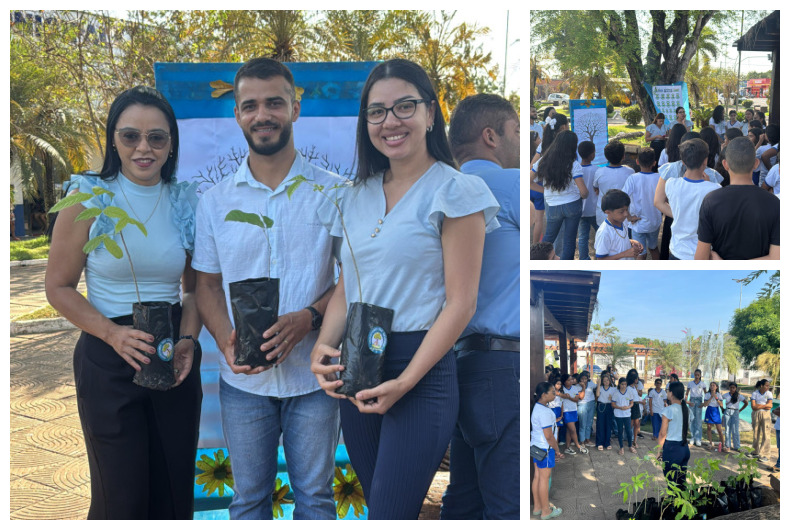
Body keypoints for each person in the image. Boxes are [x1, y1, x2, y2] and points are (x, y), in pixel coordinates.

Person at [310, 58, 499, 520]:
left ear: (430, 113)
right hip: (356, 362)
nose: (390, 122)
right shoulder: (351, 196)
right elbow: (346, 287)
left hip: (421, 369)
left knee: (388, 515)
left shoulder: (456, 191)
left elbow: (461, 302)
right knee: (381, 507)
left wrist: (407, 379)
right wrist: (322, 344)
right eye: (376, 112)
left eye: (404, 107)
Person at [193, 58, 341, 520]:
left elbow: (353, 279)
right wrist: (224, 340)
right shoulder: (215, 202)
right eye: (250, 105)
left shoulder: (334, 193)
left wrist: (310, 318)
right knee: (249, 502)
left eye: (275, 102)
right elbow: (207, 286)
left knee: (316, 500)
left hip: (314, 380)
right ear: (237, 114)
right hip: (243, 385)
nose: (263, 115)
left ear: (296, 108)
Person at [44, 86, 202, 519]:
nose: (144, 148)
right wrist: (113, 334)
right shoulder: (89, 198)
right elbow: (57, 287)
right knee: (121, 498)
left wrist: (188, 338)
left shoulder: (184, 200)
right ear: (113, 138)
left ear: (172, 143)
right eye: (130, 136)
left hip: (173, 355)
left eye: (157, 137)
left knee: (173, 491)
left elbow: (194, 290)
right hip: (108, 355)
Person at [442, 93, 519, 520]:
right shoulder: (508, 185)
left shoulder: (438, 189)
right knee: (506, 504)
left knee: (465, 497)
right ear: (490, 136)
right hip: (501, 365)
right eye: (514, 132)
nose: (519, 142)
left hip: (458, 361)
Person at [695, 137, 780, 260]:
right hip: (760, 277)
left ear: (725, 164)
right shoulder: (774, 203)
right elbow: (776, 258)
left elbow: (700, 258)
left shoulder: (711, 201)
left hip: (721, 277)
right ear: (756, 164)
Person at [657, 138, 721, 259]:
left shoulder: (671, 183)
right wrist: (708, 184)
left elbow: (660, 202)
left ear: (683, 162)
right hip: (703, 253)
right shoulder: (715, 189)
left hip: (677, 250)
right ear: (705, 161)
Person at [535, 130, 588, 259]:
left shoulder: (543, 161)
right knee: (569, 241)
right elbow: (584, 192)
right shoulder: (574, 164)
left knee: (548, 240)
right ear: (573, 146)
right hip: (572, 205)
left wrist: (544, 191)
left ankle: (538, 262)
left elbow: (528, 180)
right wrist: (584, 194)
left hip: (553, 206)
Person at [531, 381, 565, 520]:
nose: (555, 394)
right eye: (552, 392)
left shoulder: (538, 407)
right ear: (543, 395)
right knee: (544, 479)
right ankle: (546, 511)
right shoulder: (545, 411)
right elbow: (549, 436)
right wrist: (557, 450)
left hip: (535, 446)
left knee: (538, 477)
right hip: (545, 448)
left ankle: (537, 507)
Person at [622, 148, 661, 260]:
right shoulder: (659, 178)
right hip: (654, 222)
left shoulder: (632, 179)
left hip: (638, 223)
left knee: (640, 252)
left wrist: (628, 216)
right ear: (654, 163)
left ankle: (639, 276)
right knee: (653, 248)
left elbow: (622, 197)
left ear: (637, 161)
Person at [657, 381, 691, 491]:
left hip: (672, 450)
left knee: (671, 484)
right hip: (684, 448)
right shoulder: (687, 409)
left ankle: (674, 506)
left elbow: (662, 433)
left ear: (671, 393)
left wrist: (659, 451)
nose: (667, 393)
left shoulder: (668, 410)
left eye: (667, 391)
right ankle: (683, 506)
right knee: (681, 482)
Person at [592, 140, 634, 227]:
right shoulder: (630, 172)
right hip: (624, 214)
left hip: (604, 214)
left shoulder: (599, 172)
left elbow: (595, 187)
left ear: (606, 157)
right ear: (623, 156)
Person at [594, 189, 643, 260]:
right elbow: (601, 260)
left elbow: (619, 241)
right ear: (608, 212)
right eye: (621, 211)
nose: (626, 214)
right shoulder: (604, 233)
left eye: (627, 209)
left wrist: (632, 242)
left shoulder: (623, 220)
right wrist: (624, 254)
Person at [576, 141, 599, 260]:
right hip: (595, 209)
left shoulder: (576, 169)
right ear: (592, 155)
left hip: (581, 210)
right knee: (600, 233)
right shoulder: (596, 170)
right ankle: (602, 255)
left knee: (583, 236)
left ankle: (584, 258)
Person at [557, 374, 588, 454]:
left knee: (569, 430)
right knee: (573, 430)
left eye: (571, 380)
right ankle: (579, 446)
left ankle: (567, 447)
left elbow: (576, 400)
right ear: (564, 382)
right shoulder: (562, 389)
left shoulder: (574, 388)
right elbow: (561, 400)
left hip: (574, 410)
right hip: (566, 412)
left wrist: (569, 397)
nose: (571, 381)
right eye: (568, 380)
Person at [750, 379, 774, 463]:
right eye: (766, 385)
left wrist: (759, 405)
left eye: (768, 385)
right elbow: (753, 407)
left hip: (766, 415)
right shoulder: (755, 393)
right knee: (756, 433)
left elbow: (770, 406)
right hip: (756, 414)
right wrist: (765, 405)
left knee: (766, 434)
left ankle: (765, 454)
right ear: (761, 386)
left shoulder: (769, 393)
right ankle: (755, 451)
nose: (768, 387)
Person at [612, 377, 636, 455]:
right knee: (620, 431)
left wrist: (627, 407)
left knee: (629, 431)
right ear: (619, 384)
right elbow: (613, 404)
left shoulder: (629, 392)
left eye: (625, 384)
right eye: (622, 384)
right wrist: (620, 407)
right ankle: (621, 447)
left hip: (627, 415)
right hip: (618, 415)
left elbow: (632, 403)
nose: (624, 386)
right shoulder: (616, 393)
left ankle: (630, 445)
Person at [723, 382, 748, 453]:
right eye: (731, 387)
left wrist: (740, 410)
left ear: (736, 388)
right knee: (727, 429)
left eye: (733, 388)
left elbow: (746, 403)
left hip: (735, 412)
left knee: (735, 430)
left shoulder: (739, 396)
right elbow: (719, 400)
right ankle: (728, 445)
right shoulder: (726, 395)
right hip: (727, 411)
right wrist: (722, 407)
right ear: (729, 388)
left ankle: (737, 446)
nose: (732, 389)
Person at [684, 369, 706, 446]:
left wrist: (704, 403)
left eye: (698, 375)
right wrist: (686, 401)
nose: (696, 376)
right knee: (692, 419)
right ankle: (692, 437)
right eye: (695, 375)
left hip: (699, 401)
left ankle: (698, 438)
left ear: (700, 375)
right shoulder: (690, 383)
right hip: (692, 401)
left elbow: (706, 394)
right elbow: (687, 393)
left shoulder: (703, 384)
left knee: (698, 420)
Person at [595, 372, 616, 450]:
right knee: (600, 425)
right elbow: (597, 395)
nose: (606, 382)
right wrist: (598, 384)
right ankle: (599, 442)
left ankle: (607, 442)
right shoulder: (600, 388)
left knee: (608, 425)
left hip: (609, 406)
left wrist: (612, 399)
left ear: (610, 381)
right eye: (604, 381)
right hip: (601, 406)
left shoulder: (613, 389)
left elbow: (616, 398)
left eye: (607, 380)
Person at [703, 382, 725, 450]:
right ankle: (710, 443)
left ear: (716, 387)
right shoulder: (707, 394)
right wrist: (711, 397)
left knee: (719, 429)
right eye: (711, 385)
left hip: (716, 411)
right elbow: (705, 404)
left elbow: (721, 405)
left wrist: (716, 398)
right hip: (709, 410)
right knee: (709, 428)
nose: (712, 387)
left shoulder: (719, 394)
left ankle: (723, 445)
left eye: (713, 385)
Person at [578, 371, 597, 446]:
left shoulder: (591, 383)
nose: (584, 380)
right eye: (582, 379)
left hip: (591, 404)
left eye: (585, 379)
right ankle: (582, 441)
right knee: (583, 424)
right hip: (582, 405)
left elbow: (597, 387)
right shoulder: (577, 386)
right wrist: (583, 387)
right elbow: (580, 397)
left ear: (588, 379)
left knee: (589, 423)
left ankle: (587, 440)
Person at [627, 371, 644, 448]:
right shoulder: (628, 388)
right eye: (637, 379)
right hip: (632, 406)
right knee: (631, 424)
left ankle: (634, 440)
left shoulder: (634, 387)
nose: (638, 381)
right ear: (634, 379)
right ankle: (629, 439)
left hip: (636, 406)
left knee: (637, 424)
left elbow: (637, 396)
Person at [769, 407, 780, 472]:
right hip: (779, 427)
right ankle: (778, 465)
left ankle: (779, 466)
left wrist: (774, 411)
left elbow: (779, 412)